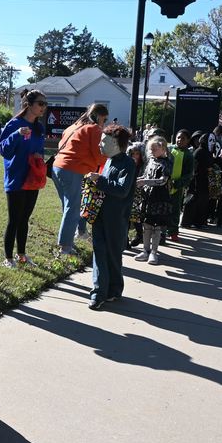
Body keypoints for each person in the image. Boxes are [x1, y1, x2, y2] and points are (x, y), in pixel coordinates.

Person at [86, 124, 136, 310]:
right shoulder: (108, 161)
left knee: (113, 255)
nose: (99, 145)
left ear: (115, 143)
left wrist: (101, 181)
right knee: (99, 253)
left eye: (103, 141)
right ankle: (99, 292)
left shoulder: (128, 164)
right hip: (100, 215)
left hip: (117, 219)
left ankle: (114, 289)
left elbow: (122, 190)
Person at [0, 89, 47, 268]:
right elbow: (3, 149)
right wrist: (16, 134)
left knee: (25, 218)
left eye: (45, 104)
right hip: (17, 178)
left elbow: (38, 150)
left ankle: (22, 255)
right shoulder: (14, 124)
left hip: (33, 178)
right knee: (14, 219)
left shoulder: (39, 128)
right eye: (40, 103)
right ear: (29, 104)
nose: (43, 107)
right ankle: (8, 258)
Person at [51, 103, 107, 255]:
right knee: (73, 208)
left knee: (69, 207)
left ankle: (68, 241)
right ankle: (65, 247)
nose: (104, 123)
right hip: (72, 169)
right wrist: (109, 163)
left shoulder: (74, 126)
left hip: (57, 167)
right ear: (99, 116)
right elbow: (99, 153)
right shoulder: (94, 129)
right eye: (104, 119)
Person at [135, 136, 174, 264]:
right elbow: (146, 175)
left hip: (160, 198)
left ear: (163, 148)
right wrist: (137, 180)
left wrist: (145, 181)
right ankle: (145, 250)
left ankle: (154, 252)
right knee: (146, 225)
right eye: (150, 149)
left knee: (156, 227)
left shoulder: (167, 163)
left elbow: (163, 181)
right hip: (148, 197)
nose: (151, 152)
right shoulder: (151, 161)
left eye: (154, 149)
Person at [166, 129, 194, 241]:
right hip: (164, 184)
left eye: (183, 138)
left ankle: (173, 231)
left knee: (175, 209)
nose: (179, 140)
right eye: (178, 137)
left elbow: (188, 174)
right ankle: (161, 230)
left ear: (187, 141)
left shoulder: (188, 155)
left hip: (177, 187)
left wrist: (178, 183)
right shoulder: (169, 149)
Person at [181, 131, 213, 229]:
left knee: (202, 202)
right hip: (196, 181)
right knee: (192, 201)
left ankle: (199, 222)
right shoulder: (199, 151)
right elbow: (194, 167)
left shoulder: (207, 152)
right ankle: (186, 222)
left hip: (204, 180)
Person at [126, 142, 146, 248]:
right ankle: (125, 240)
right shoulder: (128, 163)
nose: (135, 156)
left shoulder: (144, 166)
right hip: (128, 192)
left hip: (139, 194)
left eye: (137, 153)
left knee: (135, 216)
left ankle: (139, 235)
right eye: (133, 153)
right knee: (128, 217)